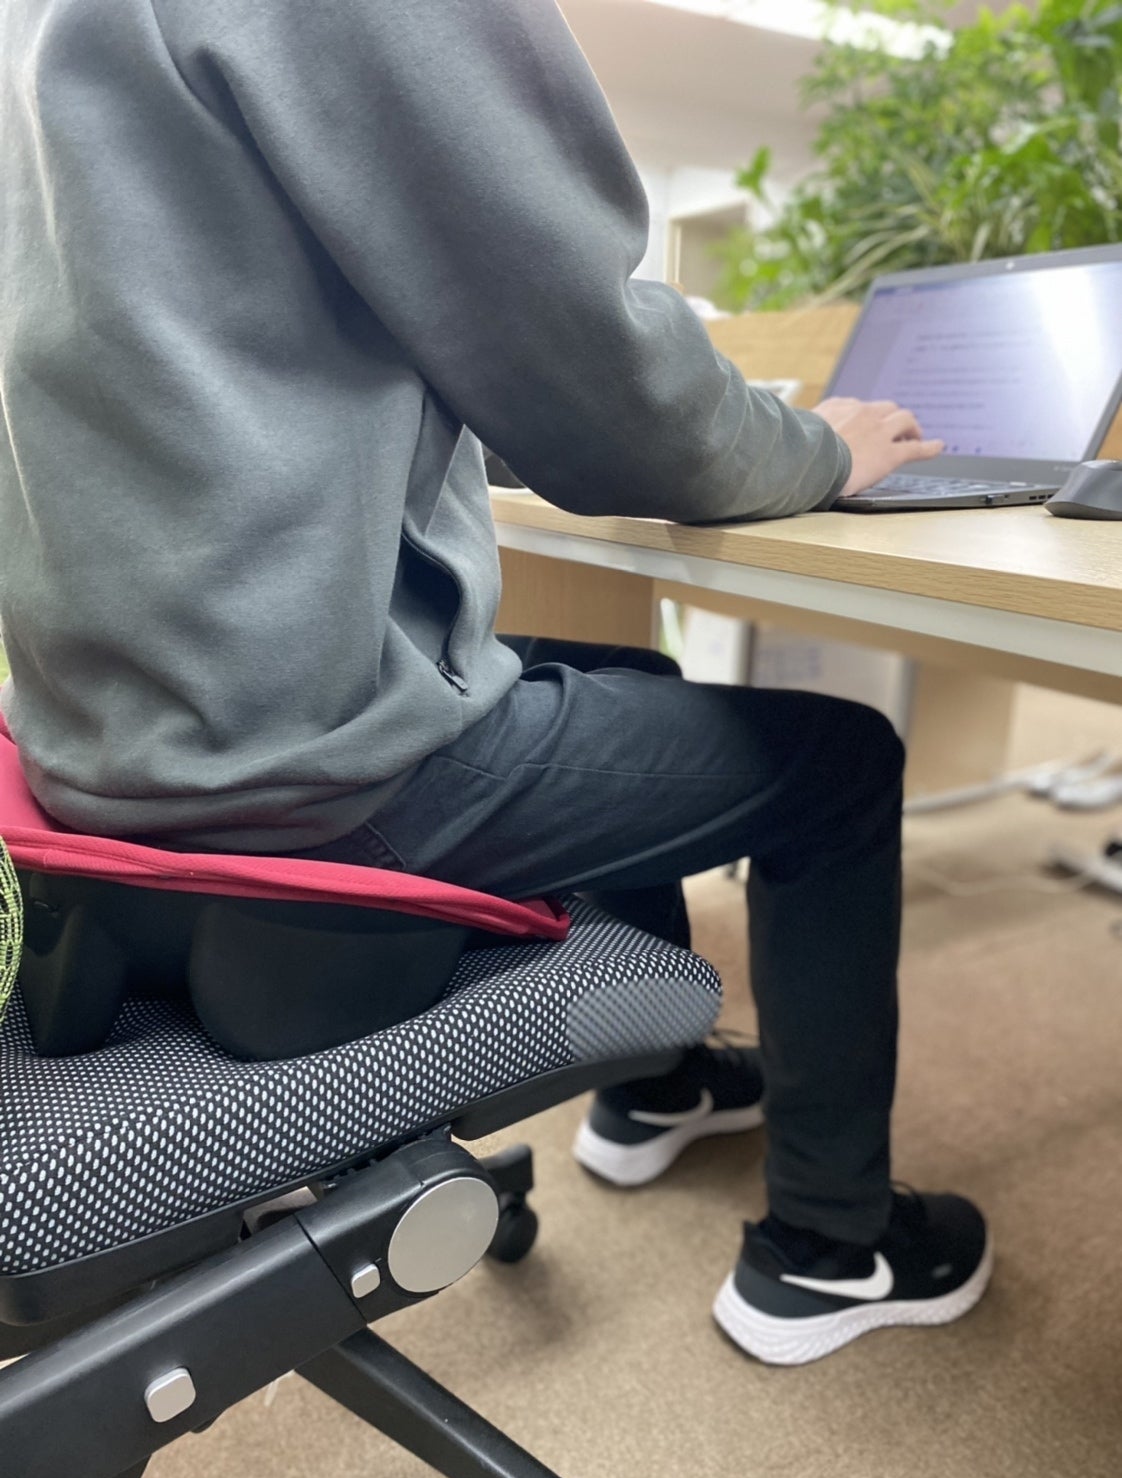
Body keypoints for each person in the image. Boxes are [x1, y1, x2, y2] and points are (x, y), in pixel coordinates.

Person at [0, 0, 990, 1364]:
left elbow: (318, 357)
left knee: (635, 676)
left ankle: (659, 1087)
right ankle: (831, 1248)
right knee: (843, 764)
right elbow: (595, 372)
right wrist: (816, 446)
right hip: (311, 775)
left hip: (112, 759)